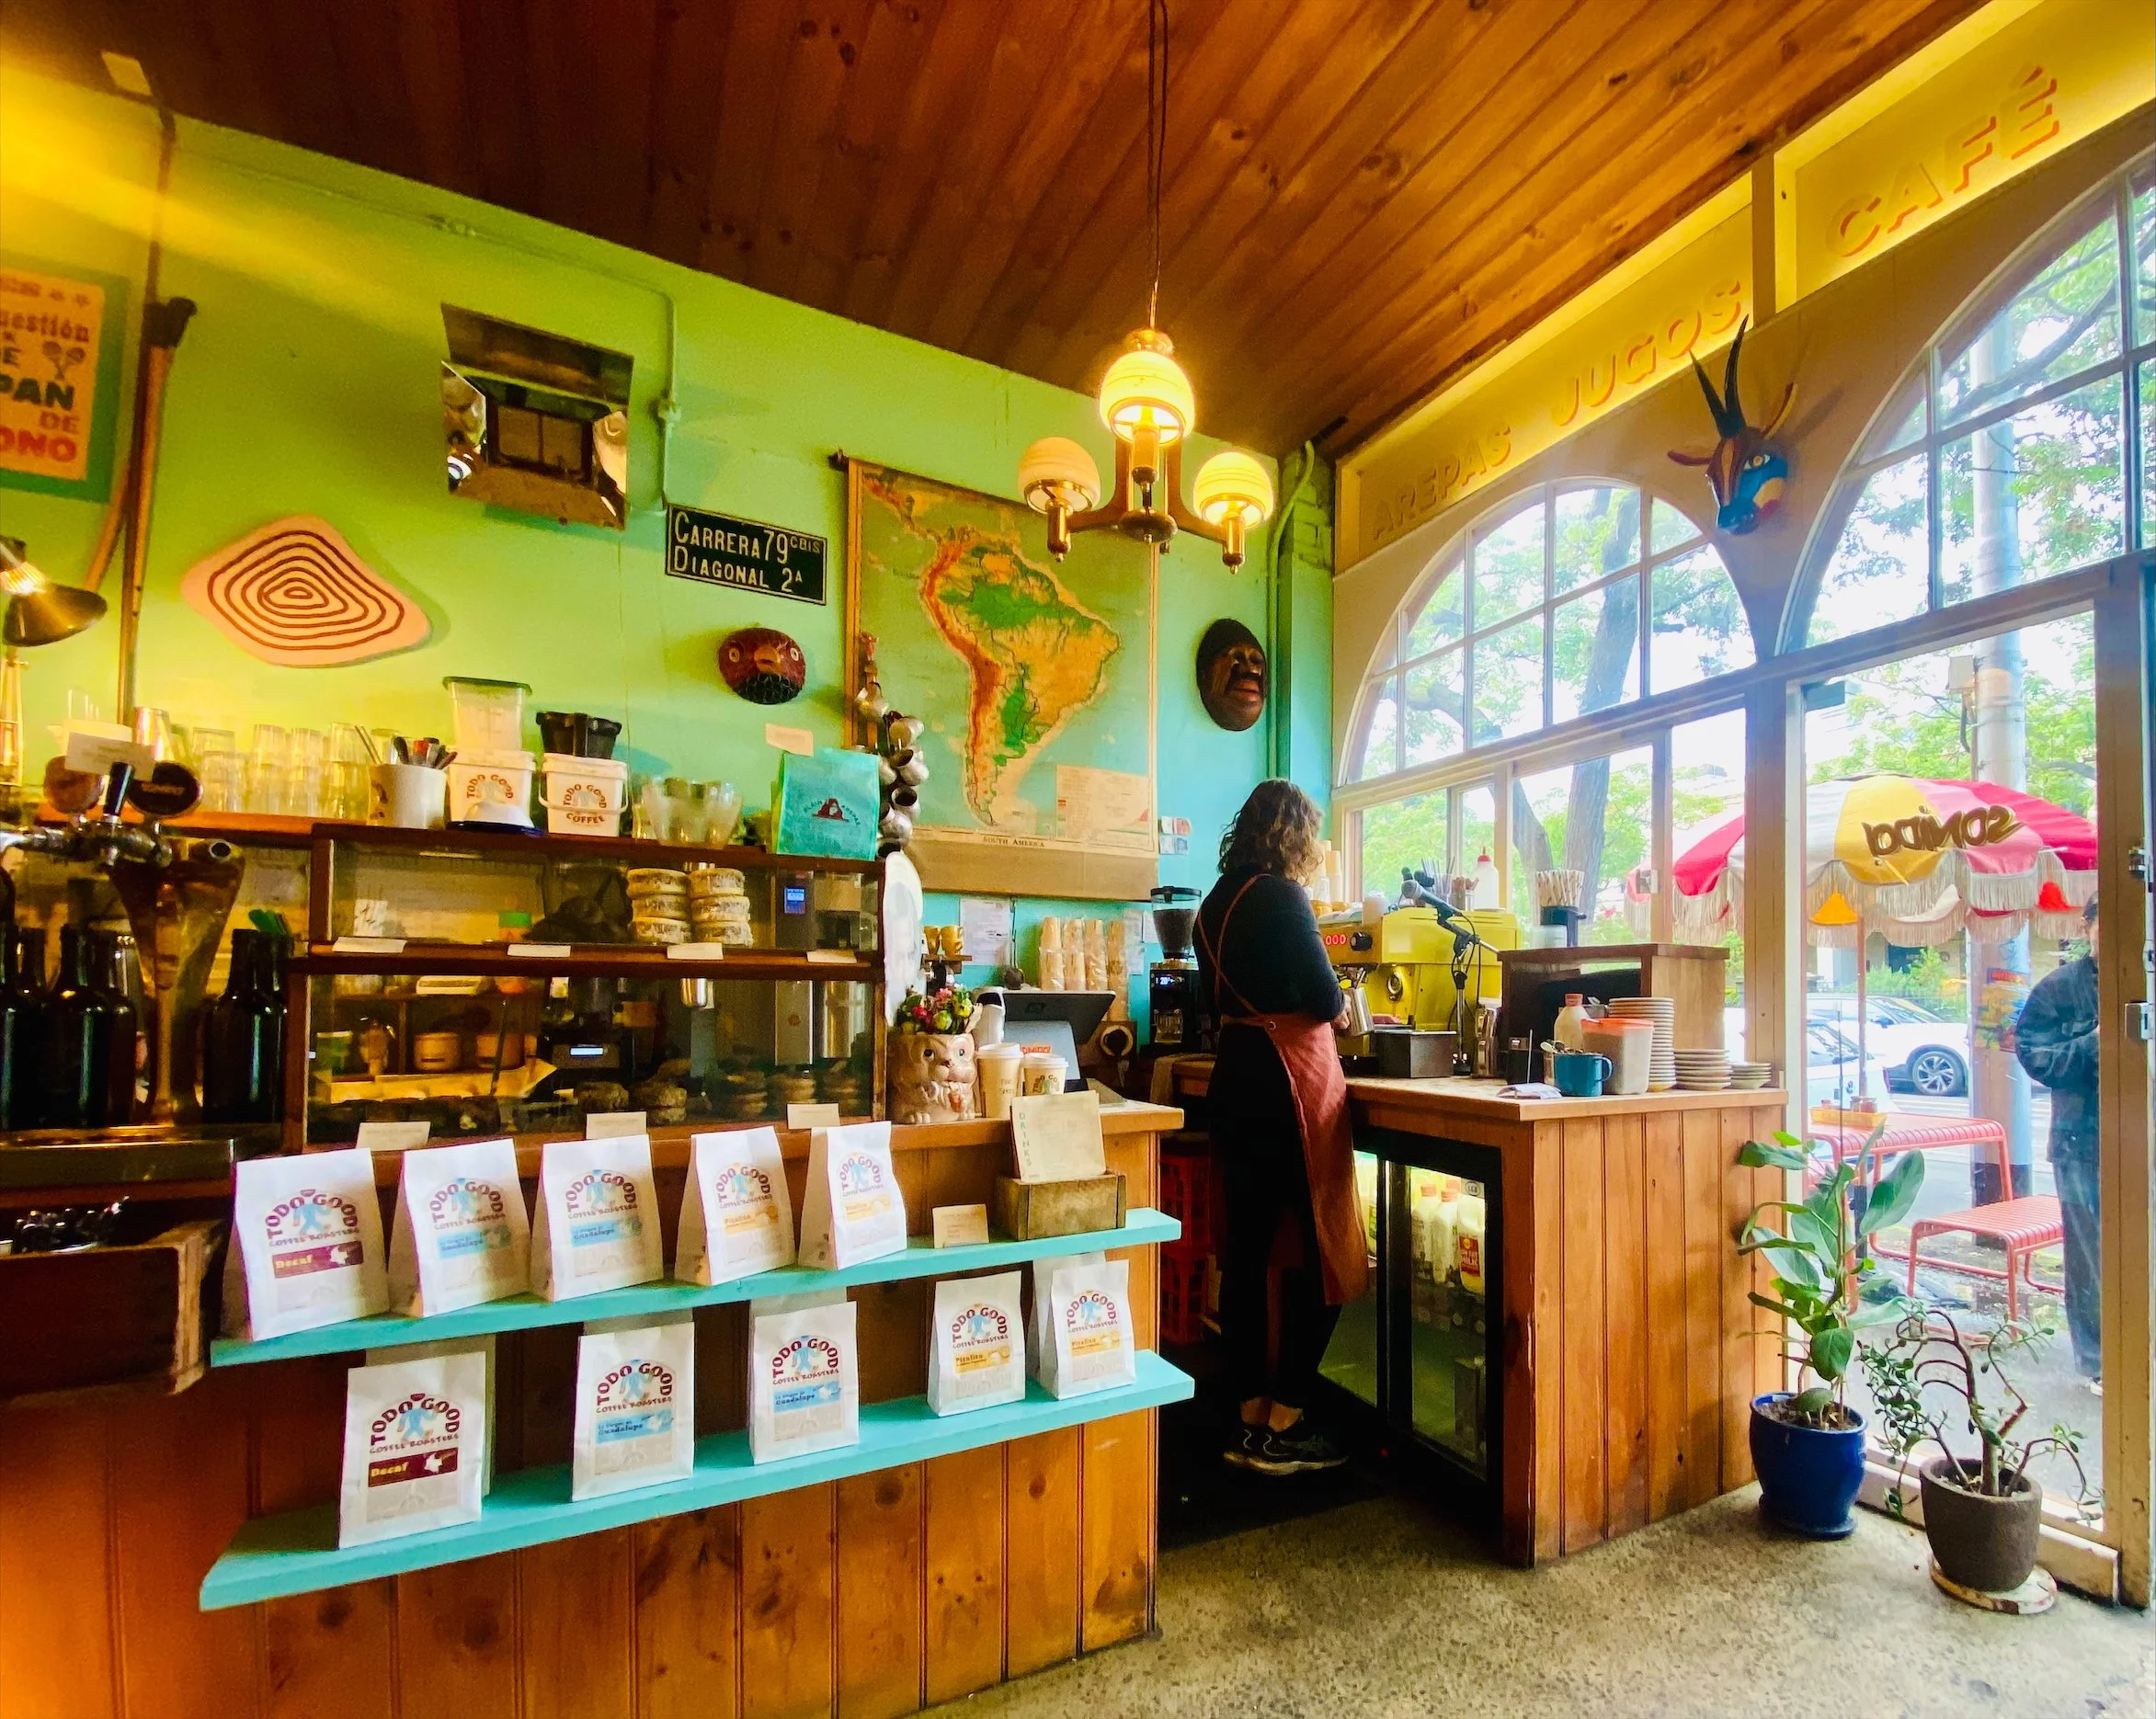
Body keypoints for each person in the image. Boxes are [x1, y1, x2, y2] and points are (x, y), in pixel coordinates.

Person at [1194, 780, 1368, 1475]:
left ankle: (1247, 1416)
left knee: (1246, 1255)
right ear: (1295, 835)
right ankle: (1287, 1418)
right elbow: (1325, 999)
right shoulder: (1283, 896)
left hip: (1234, 1076)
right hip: (1288, 1083)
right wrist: (1347, 1008)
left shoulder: (1213, 903)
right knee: (1325, 1247)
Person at [2014, 898, 2101, 1390]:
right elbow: (2036, 1058)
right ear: (2086, 927)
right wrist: (2098, 1041)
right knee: (2089, 1255)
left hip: (2139, 1136)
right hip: (2080, 1141)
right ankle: (2098, 1362)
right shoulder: (2058, 989)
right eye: (2103, 923)